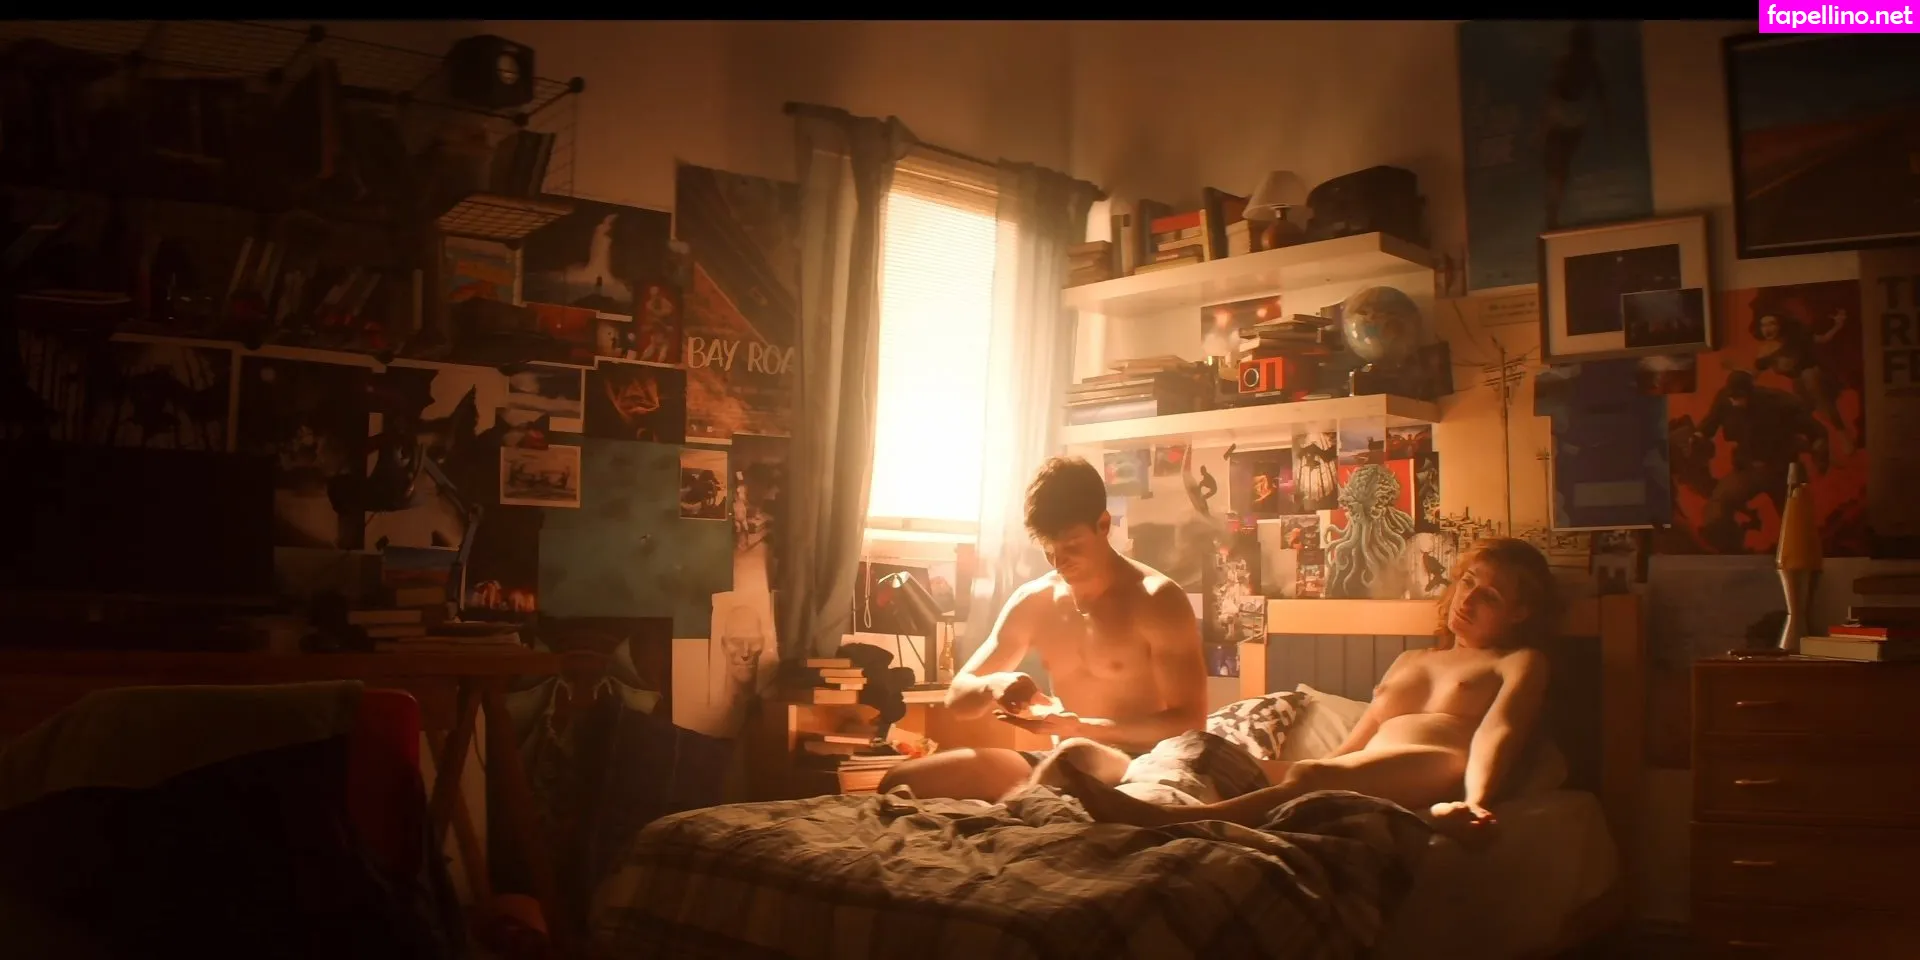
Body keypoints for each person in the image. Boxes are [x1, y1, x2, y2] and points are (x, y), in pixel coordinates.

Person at [1055, 537, 1560, 846]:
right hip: (1367, 767)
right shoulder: (1413, 660)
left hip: (1443, 764)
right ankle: (1131, 785)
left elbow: (1501, 730)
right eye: (1468, 582)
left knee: (1314, 775)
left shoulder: (1517, 661)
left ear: (1520, 613)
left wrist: (1474, 801)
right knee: (1204, 749)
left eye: (1490, 595)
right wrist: (1275, 771)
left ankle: (1174, 821)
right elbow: (1356, 743)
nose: (1468, 599)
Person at [875, 456, 1210, 802]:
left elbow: (1190, 722)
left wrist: (1081, 728)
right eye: (1050, 550)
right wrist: (993, 685)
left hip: (1138, 764)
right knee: (904, 780)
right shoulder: (1036, 599)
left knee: (1076, 753)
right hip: (1058, 763)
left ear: (1103, 524)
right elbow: (958, 698)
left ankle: (1026, 807)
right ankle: (1035, 799)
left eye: (1071, 546)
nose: (1060, 562)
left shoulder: (1157, 600)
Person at [1541, 22, 1609, 231]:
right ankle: (1553, 213)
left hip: (1564, 116)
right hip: (1576, 117)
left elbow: (1552, 94)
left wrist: (1542, 127)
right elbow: (1602, 96)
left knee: (1557, 169)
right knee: (1560, 167)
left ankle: (1553, 214)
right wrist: (1607, 120)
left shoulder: (1567, 62)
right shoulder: (1591, 65)